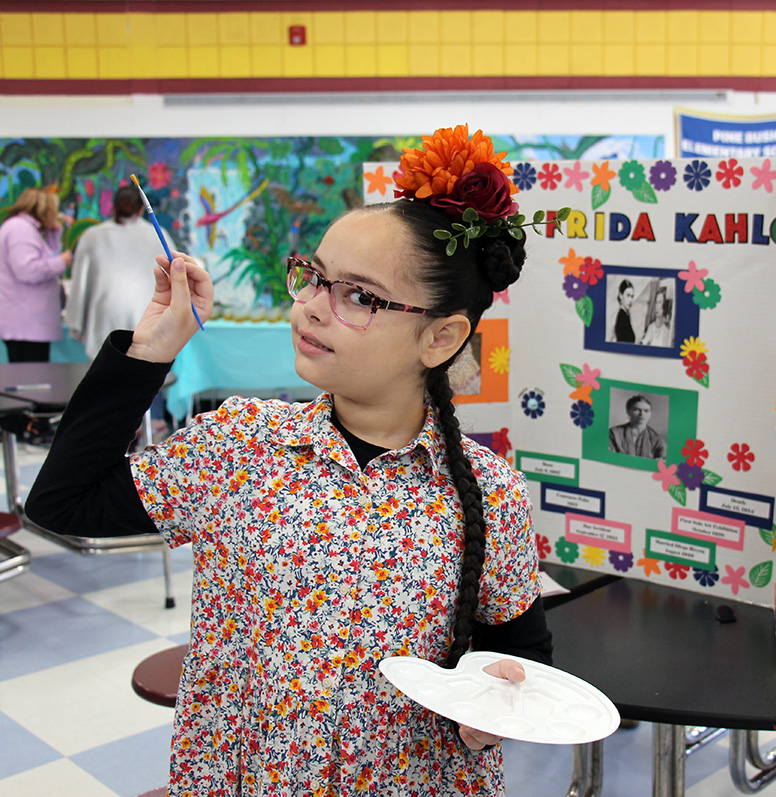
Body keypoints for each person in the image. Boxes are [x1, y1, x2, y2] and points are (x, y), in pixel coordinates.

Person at [27, 125, 552, 796]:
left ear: (440, 337)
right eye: (314, 277)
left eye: (358, 295)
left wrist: (495, 705)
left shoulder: (487, 488)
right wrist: (151, 351)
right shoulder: (241, 445)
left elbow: (520, 648)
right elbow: (62, 501)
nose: (309, 306)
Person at [66, 185, 176, 360]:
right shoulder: (158, 235)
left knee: (106, 379)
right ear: (141, 209)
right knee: (145, 378)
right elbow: (176, 277)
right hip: (149, 315)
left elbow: (79, 284)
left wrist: (76, 324)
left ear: (113, 206)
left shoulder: (92, 236)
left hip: (104, 316)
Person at [0, 187, 73, 362]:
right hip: (26, 325)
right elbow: (28, 271)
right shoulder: (20, 229)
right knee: (30, 381)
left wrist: (54, 235)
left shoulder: (23, 228)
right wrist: (62, 262)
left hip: (28, 324)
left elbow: (46, 260)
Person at [609, 394, 666, 459]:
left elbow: (662, 461)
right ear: (628, 411)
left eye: (646, 411)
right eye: (636, 410)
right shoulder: (614, 433)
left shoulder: (657, 439)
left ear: (650, 414)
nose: (642, 414)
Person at [613, 278, 636, 343]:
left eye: (632, 296)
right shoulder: (621, 317)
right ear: (620, 295)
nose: (630, 300)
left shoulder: (626, 315)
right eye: (628, 295)